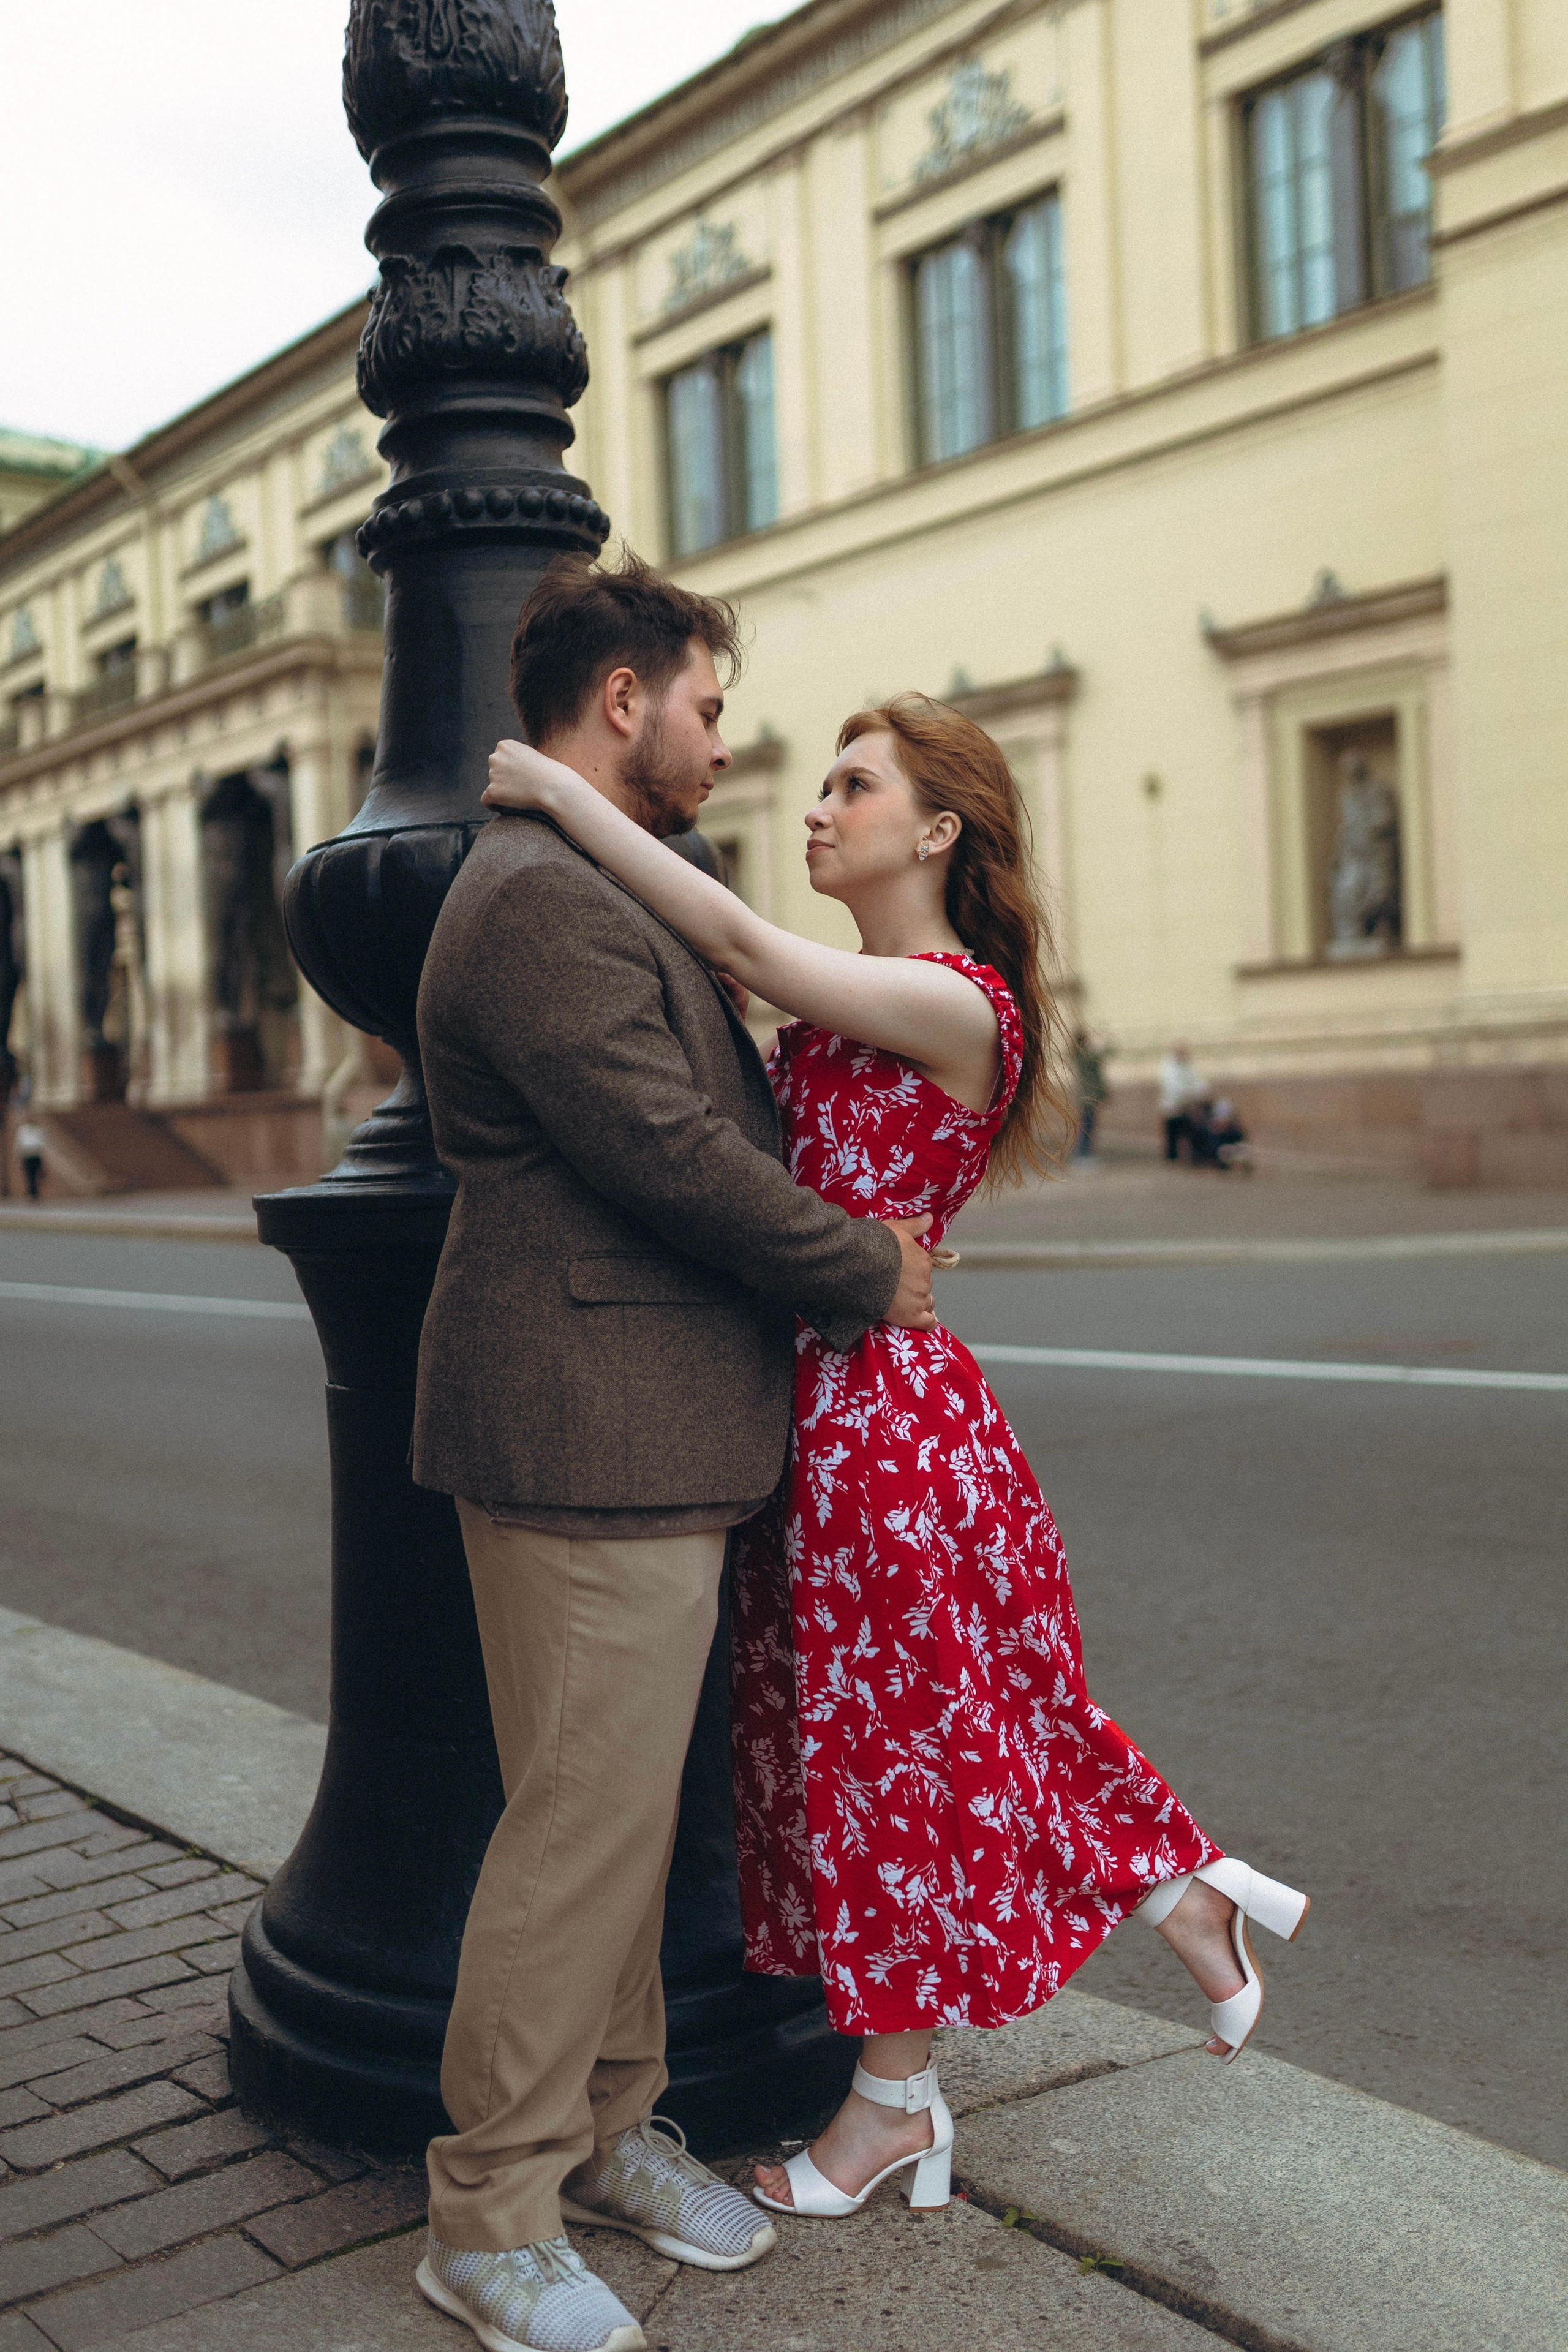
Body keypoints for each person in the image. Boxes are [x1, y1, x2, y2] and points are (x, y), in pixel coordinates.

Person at [484, 687, 1310, 2233]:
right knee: (951, 1735)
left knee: (896, 1769)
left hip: (883, 1423)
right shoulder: (867, 995)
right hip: (830, 1411)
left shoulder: (956, 999)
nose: (815, 805)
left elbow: (731, 946)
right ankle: (1180, 1892)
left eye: (851, 785)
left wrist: (556, 790)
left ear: (935, 828)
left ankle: (888, 2105)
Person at [410, 554, 942, 2352]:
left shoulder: (597, 872)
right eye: (708, 705)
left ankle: (607, 2125)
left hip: (637, 1429)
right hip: (581, 1429)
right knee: (576, 1832)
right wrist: (870, 1263)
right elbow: (668, 1155)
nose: (727, 742)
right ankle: (486, 2207)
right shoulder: (541, 895)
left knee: (623, 1824)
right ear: (619, 698)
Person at [1158, 1042, 1203, 1161]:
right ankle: (1172, 1156)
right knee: (1172, 1133)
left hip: (1187, 1105)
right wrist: (1187, 1096)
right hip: (1173, 1105)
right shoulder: (1169, 1067)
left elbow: (1198, 1082)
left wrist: (1195, 1096)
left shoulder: (1188, 1066)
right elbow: (1171, 1087)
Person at [1072, 1027, 1107, 1157]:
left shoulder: (1080, 1055)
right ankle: (1083, 1152)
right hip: (1088, 1096)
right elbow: (1097, 1057)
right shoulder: (1083, 1056)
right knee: (1087, 1125)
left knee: (1088, 1124)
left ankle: (1084, 1151)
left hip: (1088, 1096)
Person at [14, 1118, 45, 1201]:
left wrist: (17, 1155)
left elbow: (19, 1143)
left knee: (33, 1174)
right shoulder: (25, 1130)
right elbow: (19, 1142)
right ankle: (33, 1192)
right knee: (31, 1174)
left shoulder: (33, 1129)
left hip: (32, 1154)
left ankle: (33, 1192)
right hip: (30, 1154)